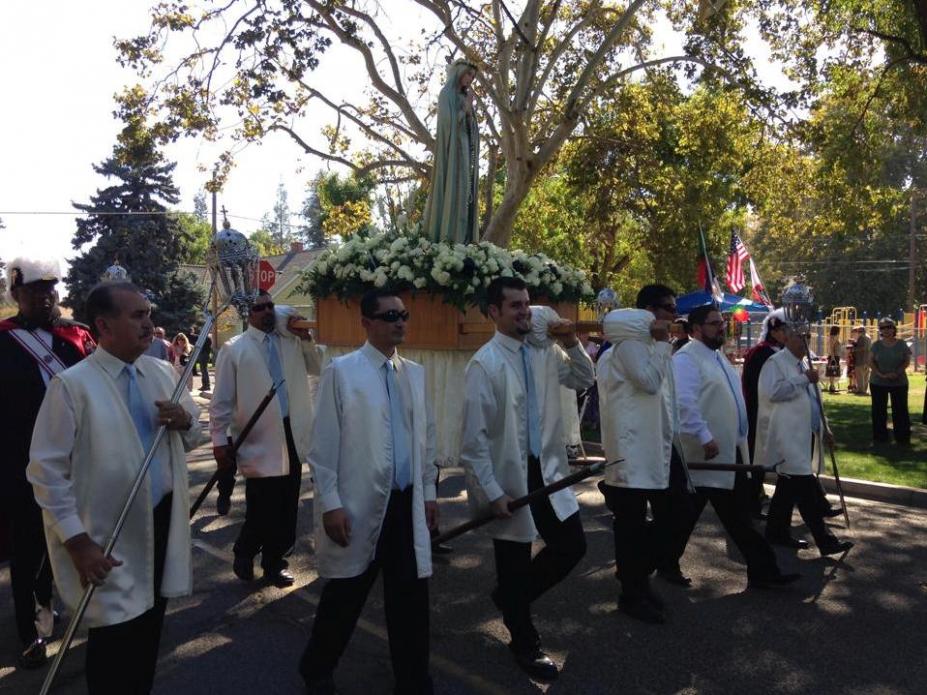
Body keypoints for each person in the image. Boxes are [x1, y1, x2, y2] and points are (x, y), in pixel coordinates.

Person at [27, 281, 200, 694]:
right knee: (114, 641)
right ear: (103, 325)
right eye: (137, 315)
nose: (149, 323)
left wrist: (185, 421)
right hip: (107, 535)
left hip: (159, 523)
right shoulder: (72, 386)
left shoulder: (161, 371)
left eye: (148, 313)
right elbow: (46, 472)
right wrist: (77, 541)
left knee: (148, 634)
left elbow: (193, 436)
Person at [299, 289, 438, 695]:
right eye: (389, 315)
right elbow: (322, 446)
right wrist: (331, 504)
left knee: (411, 599)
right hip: (356, 504)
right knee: (346, 593)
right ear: (366, 323)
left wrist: (428, 492)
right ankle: (316, 669)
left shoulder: (414, 372)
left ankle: (413, 680)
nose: (399, 322)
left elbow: (424, 439)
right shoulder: (343, 372)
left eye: (404, 315)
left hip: (405, 503)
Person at [460, 277, 594, 681]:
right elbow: (474, 440)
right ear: (493, 313)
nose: (525, 312)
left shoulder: (546, 351)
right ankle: (524, 639)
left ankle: (509, 599)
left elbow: (584, 379)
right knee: (514, 562)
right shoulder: (485, 364)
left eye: (526, 304)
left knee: (571, 546)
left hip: (548, 469)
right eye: (515, 306)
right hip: (508, 477)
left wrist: (571, 342)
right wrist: (493, 491)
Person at [0, 257, 95, 669]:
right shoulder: (3, 341)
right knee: (27, 551)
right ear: (16, 295)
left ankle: (72, 610)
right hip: (20, 465)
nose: (44, 296)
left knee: (76, 539)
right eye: (33, 290)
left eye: (49, 289)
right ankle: (30, 631)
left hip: (79, 462)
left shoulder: (79, 337)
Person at [671, 305, 800, 589]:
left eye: (722, 322)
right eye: (714, 323)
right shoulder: (686, 359)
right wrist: (704, 436)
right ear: (694, 329)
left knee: (733, 518)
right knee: (694, 519)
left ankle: (763, 571)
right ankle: (657, 566)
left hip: (729, 454)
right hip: (706, 455)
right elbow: (683, 403)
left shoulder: (715, 356)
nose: (721, 327)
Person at [209, 290, 322, 584]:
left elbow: (318, 367)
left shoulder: (292, 342)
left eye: (270, 305)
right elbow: (220, 402)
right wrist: (220, 441)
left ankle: (275, 562)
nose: (267, 311)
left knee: (288, 504)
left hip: (293, 431)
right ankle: (245, 549)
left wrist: (304, 337)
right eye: (259, 308)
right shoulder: (235, 349)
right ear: (248, 314)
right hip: (259, 438)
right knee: (263, 506)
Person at [597, 307, 676, 624]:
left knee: (648, 525)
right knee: (632, 528)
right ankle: (632, 591)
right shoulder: (629, 348)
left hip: (644, 452)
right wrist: (661, 344)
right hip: (631, 456)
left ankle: (637, 581)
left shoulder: (637, 348)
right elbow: (649, 382)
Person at [756, 324, 854, 556]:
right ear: (786, 339)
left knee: (787, 488)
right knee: (805, 487)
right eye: (799, 337)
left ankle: (776, 531)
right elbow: (773, 393)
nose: (804, 341)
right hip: (786, 436)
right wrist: (802, 379)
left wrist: (824, 428)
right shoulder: (776, 363)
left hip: (803, 436)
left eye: (807, 337)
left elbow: (814, 402)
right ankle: (825, 541)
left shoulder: (804, 364)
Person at [633, 285, 692, 587]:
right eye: (669, 308)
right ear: (650, 311)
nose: (675, 314)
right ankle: (637, 570)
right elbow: (649, 383)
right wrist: (660, 344)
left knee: (679, 508)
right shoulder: (635, 346)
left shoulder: (662, 344)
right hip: (642, 445)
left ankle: (658, 562)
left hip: (667, 440)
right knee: (658, 513)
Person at [421, 59, 480, 244]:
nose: (470, 79)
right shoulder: (446, 94)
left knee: (464, 191)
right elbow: (448, 124)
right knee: (453, 188)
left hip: (464, 148)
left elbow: (471, 125)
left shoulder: (464, 97)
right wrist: (466, 109)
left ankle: (462, 238)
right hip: (452, 151)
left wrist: (468, 112)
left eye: (473, 76)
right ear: (459, 72)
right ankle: (448, 236)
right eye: (468, 74)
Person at [741, 310, 789, 520]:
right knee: (757, 460)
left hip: (772, 412)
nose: (787, 334)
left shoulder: (777, 351)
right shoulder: (762, 353)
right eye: (782, 330)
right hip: (759, 411)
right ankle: (750, 503)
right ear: (774, 331)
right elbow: (762, 387)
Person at [869, 317, 912, 445]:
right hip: (878, 382)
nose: (886, 330)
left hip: (899, 382)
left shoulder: (901, 344)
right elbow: (870, 362)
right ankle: (880, 437)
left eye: (889, 327)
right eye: (883, 328)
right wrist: (881, 375)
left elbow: (906, 360)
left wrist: (897, 372)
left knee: (900, 410)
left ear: (894, 328)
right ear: (880, 330)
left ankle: (902, 437)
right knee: (878, 410)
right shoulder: (875, 345)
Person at [188, 325, 212, 392]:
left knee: (204, 370)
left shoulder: (205, 338)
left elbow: (194, 337)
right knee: (203, 370)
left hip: (204, 355)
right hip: (205, 355)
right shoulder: (206, 338)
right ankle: (205, 385)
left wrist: (191, 333)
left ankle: (206, 385)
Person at [853, 325, 871, 396]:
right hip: (867, 359)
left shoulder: (861, 338)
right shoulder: (869, 337)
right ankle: (865, 390)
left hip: (860, 359)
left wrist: (854, 348)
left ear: (860, 331)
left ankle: (861, 390)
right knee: (866, 376)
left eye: (858, 331)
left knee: (860, 376)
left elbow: (862, 348)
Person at [825, 325, 843, 393]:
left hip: (836, 356)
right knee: (832, 372)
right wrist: (832, 358)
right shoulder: (832, 337)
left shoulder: (836, 337)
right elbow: (831, 348)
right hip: (834, 357)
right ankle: (832, 386)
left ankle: (832, 386)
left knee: (834, 372)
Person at [846, 328, 858, 393]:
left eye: (855, 332)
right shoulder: (850, 340)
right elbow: (848, 350)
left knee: (854, 373)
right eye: (853, 332)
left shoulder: (858, 341)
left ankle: (854, 385)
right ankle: (850, 385)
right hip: (850, 358)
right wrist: (847, 358)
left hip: (855, 358)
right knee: (850, 372)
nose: (854, 334)